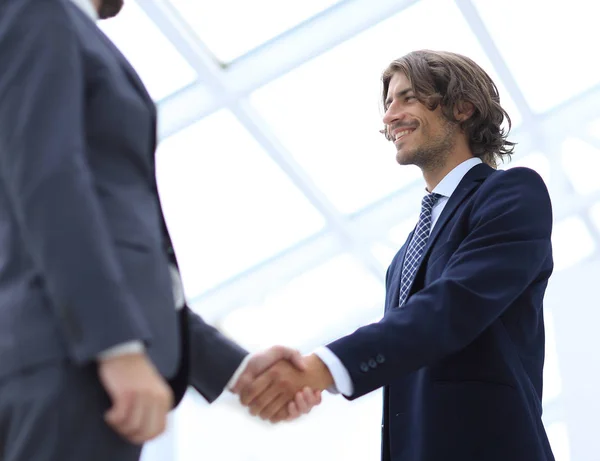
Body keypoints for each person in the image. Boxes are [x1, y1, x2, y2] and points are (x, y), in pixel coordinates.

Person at [0, 1, 318, 460]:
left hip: (75, 359)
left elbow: (114, 244)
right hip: (70, 360)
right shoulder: (37, 11)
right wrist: (114, 347)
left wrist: (235, 369)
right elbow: (49, 183)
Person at [237, 50, 556, 461]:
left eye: (407, 98)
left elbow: (452, 307)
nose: (390, 116)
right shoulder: (404, 256)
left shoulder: (512, 193)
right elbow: (407, 349)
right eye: (388, 103)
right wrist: (316, 378)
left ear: (462, 107)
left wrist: (324, 368)